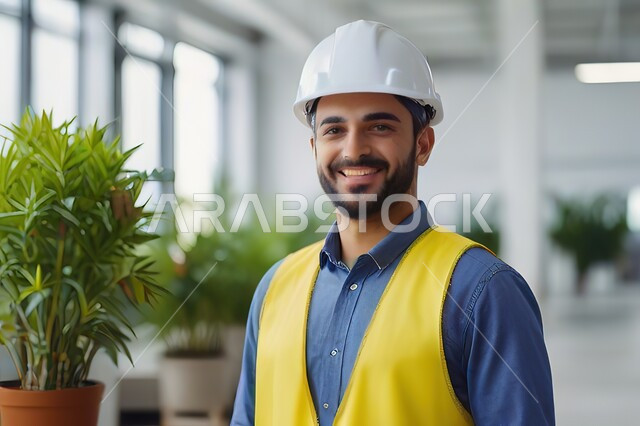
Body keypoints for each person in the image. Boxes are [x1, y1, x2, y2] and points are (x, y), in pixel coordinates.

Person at [230, 20, 554, 425]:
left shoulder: (483, 293)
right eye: (334, 129)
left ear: (423, 144)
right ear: (314, 146)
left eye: (379, 126)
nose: (353, 149)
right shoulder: (274, 290)